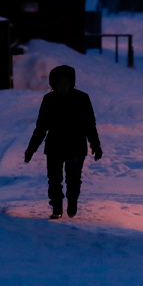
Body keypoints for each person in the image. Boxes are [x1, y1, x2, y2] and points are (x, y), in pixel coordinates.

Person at [24, 65, 103, 219]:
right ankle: (57, 208)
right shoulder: (49, 100)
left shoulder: (82, 98)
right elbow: (41, 127)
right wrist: (31, 149)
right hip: (55, 146)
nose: (62, 88)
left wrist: (96, 145)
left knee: (73, 180)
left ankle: (72, 201)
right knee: (54, 179)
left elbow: (89, 125)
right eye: (59, 84)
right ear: (53, 85)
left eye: (65, 84)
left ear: (71, 83)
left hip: (76, 146)